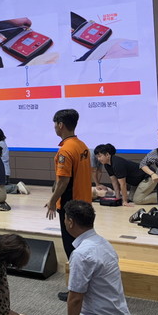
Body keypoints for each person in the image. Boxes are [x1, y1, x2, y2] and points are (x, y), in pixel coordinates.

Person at [51, 200, 148, 315]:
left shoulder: (81, 254)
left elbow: (75, 298)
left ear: (70, 222)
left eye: (65, 219)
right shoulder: (104, 244)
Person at [45, 109, 91, 302]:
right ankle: (86, 286)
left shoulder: (65, 150)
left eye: (55, 124)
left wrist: (52, 201)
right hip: (84, 203)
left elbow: (63, 181)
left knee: (73, 250)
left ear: (60, 125)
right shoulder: (82, 145)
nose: (54, 127)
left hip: (71, 207)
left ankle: (76, 291)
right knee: (83, 246)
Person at [0, 127, 29, 195]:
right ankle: (18, 187)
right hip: (5, 170)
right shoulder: (3, 143)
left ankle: (17, 187)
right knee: (4, 185)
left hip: (2, 170)